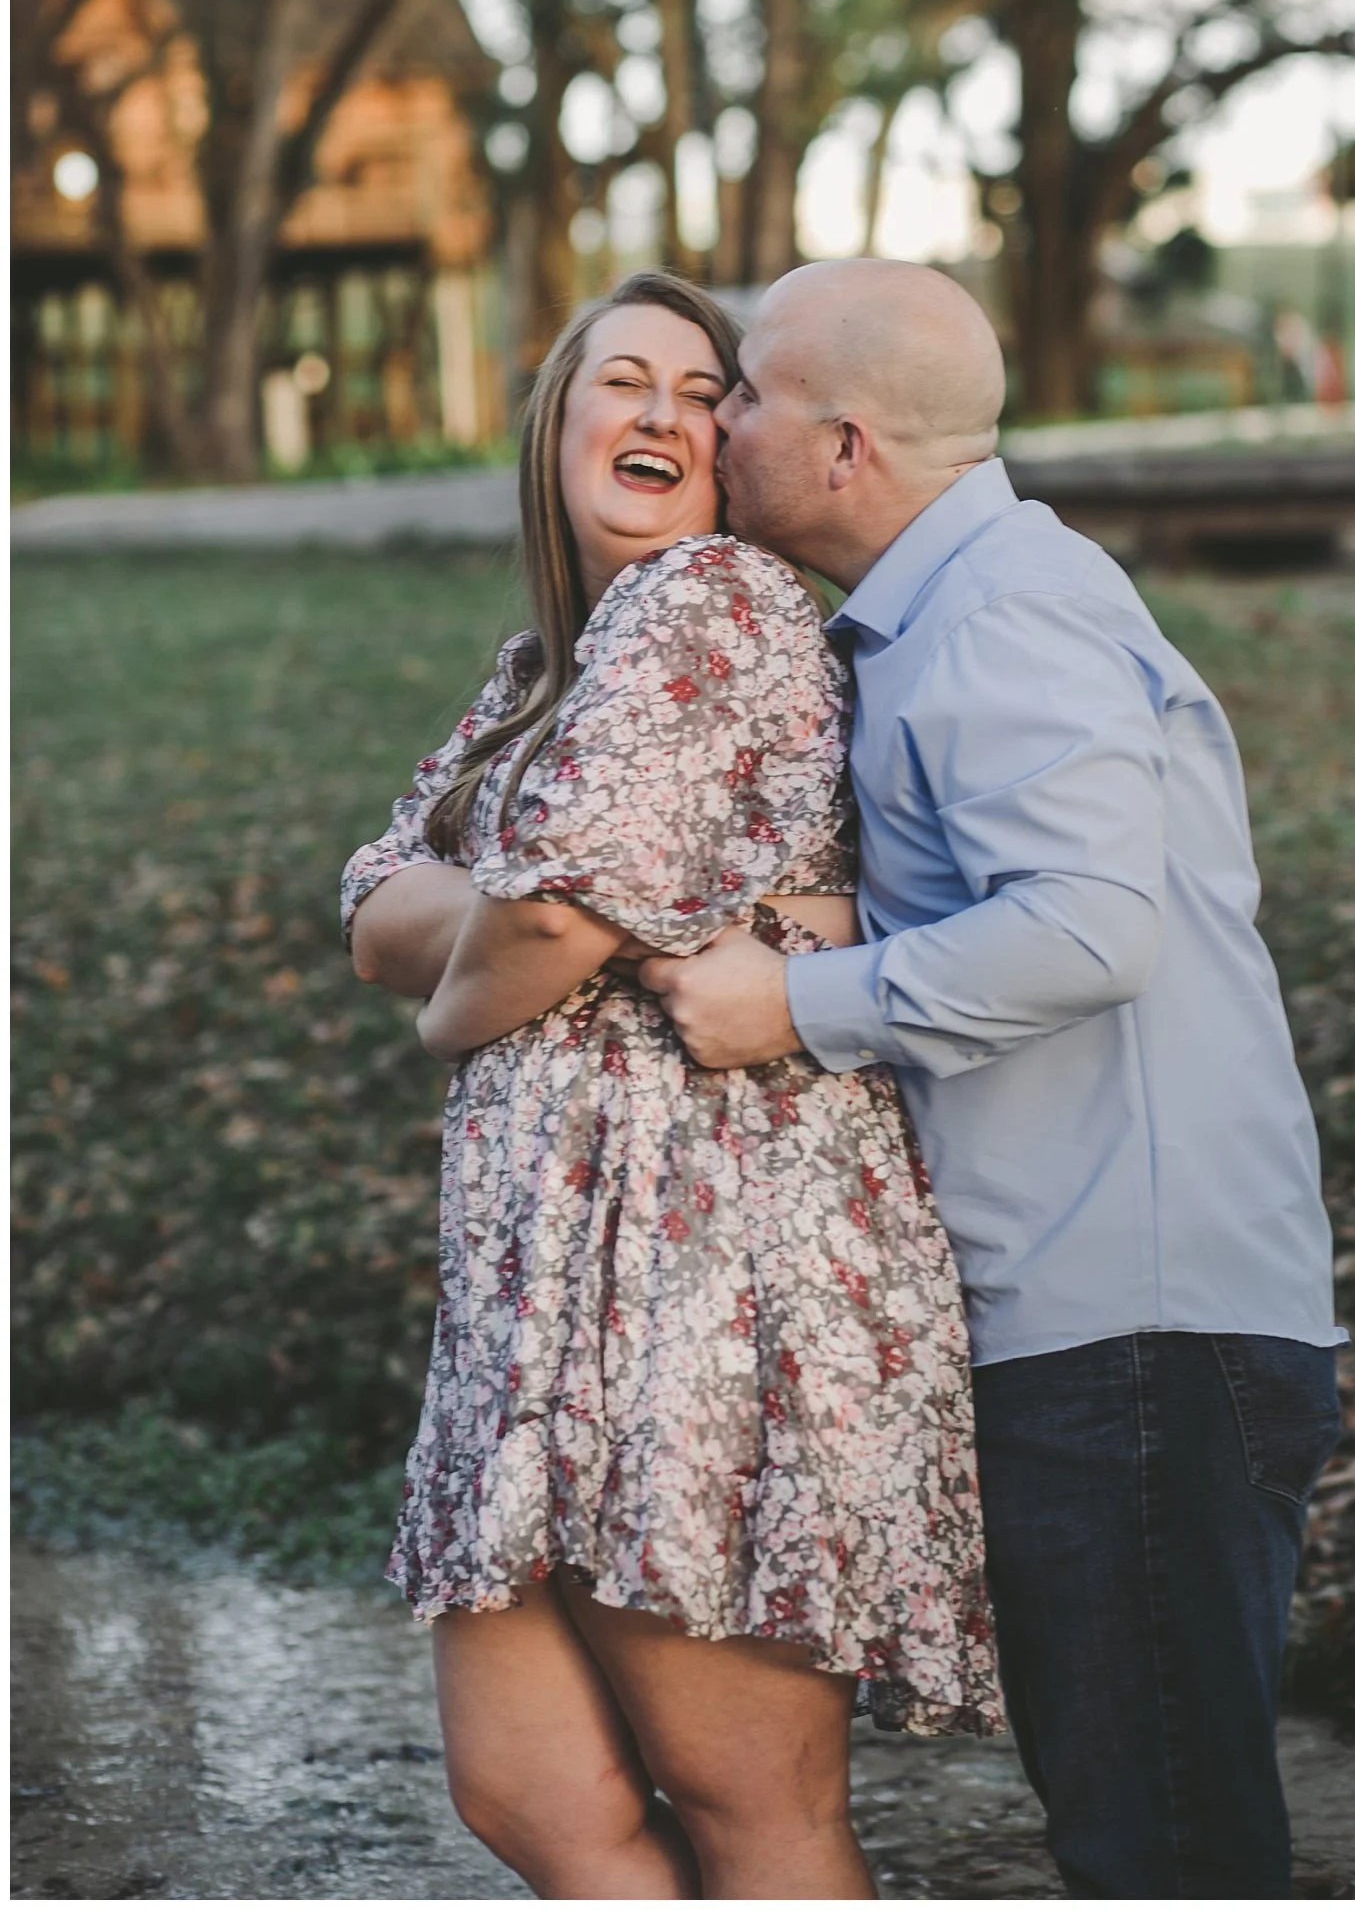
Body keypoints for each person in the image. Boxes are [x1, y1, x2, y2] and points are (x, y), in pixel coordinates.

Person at [644, 258, 1346, 1902]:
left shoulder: (1005, 611)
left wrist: (796, 1000)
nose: (714, 419)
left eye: (742, 392)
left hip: (1140, 1336)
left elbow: (1093, 929)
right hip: (1105, 1326)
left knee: (1164, 1853)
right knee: (1143, 1832)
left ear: (842, 444)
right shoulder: (945, 617)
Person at [340, 271, 1000, 1903]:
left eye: (706, 396)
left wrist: (480, 989)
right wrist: (547, 919)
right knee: (533, 1798)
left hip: (702, 1285)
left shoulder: (711, 603)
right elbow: (377, 907)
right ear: (554, 425)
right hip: (539, 1295)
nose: (661, 415)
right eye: (619, 382)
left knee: (749, 1809)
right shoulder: (535, 673)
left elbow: (541, 917)